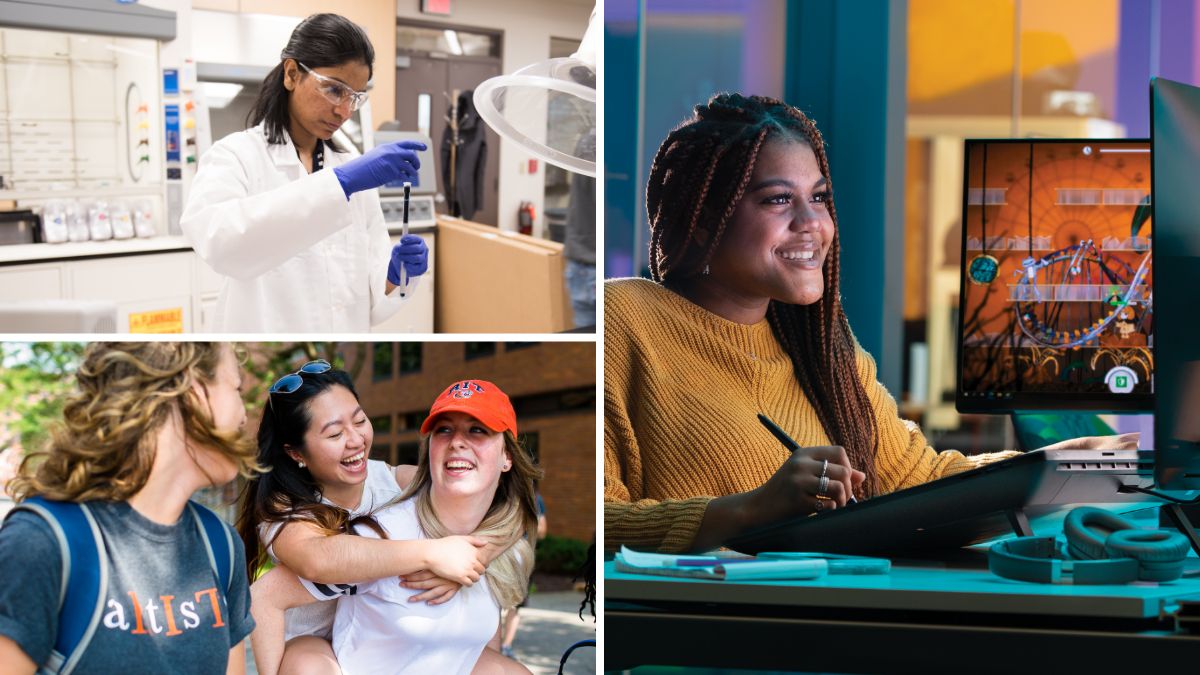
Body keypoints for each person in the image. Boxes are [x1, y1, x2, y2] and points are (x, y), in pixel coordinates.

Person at [603, 93, 1138, 554]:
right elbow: (591, 518)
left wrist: (1052, 465)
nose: (811, 223)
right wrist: (749, 510)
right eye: (778, 199)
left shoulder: (823, 350)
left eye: (818, 198)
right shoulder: (625, 319)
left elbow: (915, 480)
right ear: (701, 219)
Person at [250, 379, 541, 675]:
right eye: (335, 433)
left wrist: (475, 557)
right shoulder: (285, 512)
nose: (356, 440)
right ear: (297, 453)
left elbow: (505, 504)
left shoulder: (395, 481)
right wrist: (434, 555)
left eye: (360, 421)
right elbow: (317, 561)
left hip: (383, 633)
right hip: (320, 649)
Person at [0, 342, 259, 674]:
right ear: (193, 392)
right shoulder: (43, 543)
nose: (243, 412)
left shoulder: (221, 546)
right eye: (236, 388)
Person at [182, 13, 429, 332]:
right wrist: (339, 185)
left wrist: (395, 276)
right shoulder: (236, 156)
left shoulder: (349, 164)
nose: (343, 111)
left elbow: (369, 293)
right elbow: (221, 244)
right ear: (291, 74)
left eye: (355, 97)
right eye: (334, 90)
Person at [499, 490, 547, 658]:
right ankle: (505, 646)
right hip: (521, 555)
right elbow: (542, 531)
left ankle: (493, 648)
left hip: (496, 555)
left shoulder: (496, 491)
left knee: (494, 604)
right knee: (515, 605)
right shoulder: (535, 499)